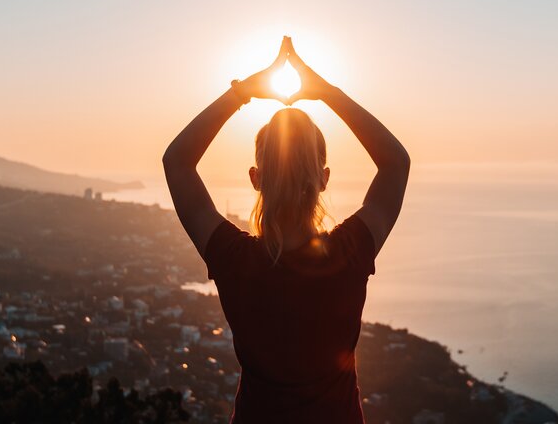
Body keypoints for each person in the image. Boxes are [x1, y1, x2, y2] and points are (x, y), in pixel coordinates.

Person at [163, 37, 410, 423]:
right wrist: (328, 93)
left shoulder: (234, 260)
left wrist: (242, 92)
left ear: (255, 178)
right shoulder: (349, 253)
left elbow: (176, 162)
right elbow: (396, 163)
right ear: (324, 179)